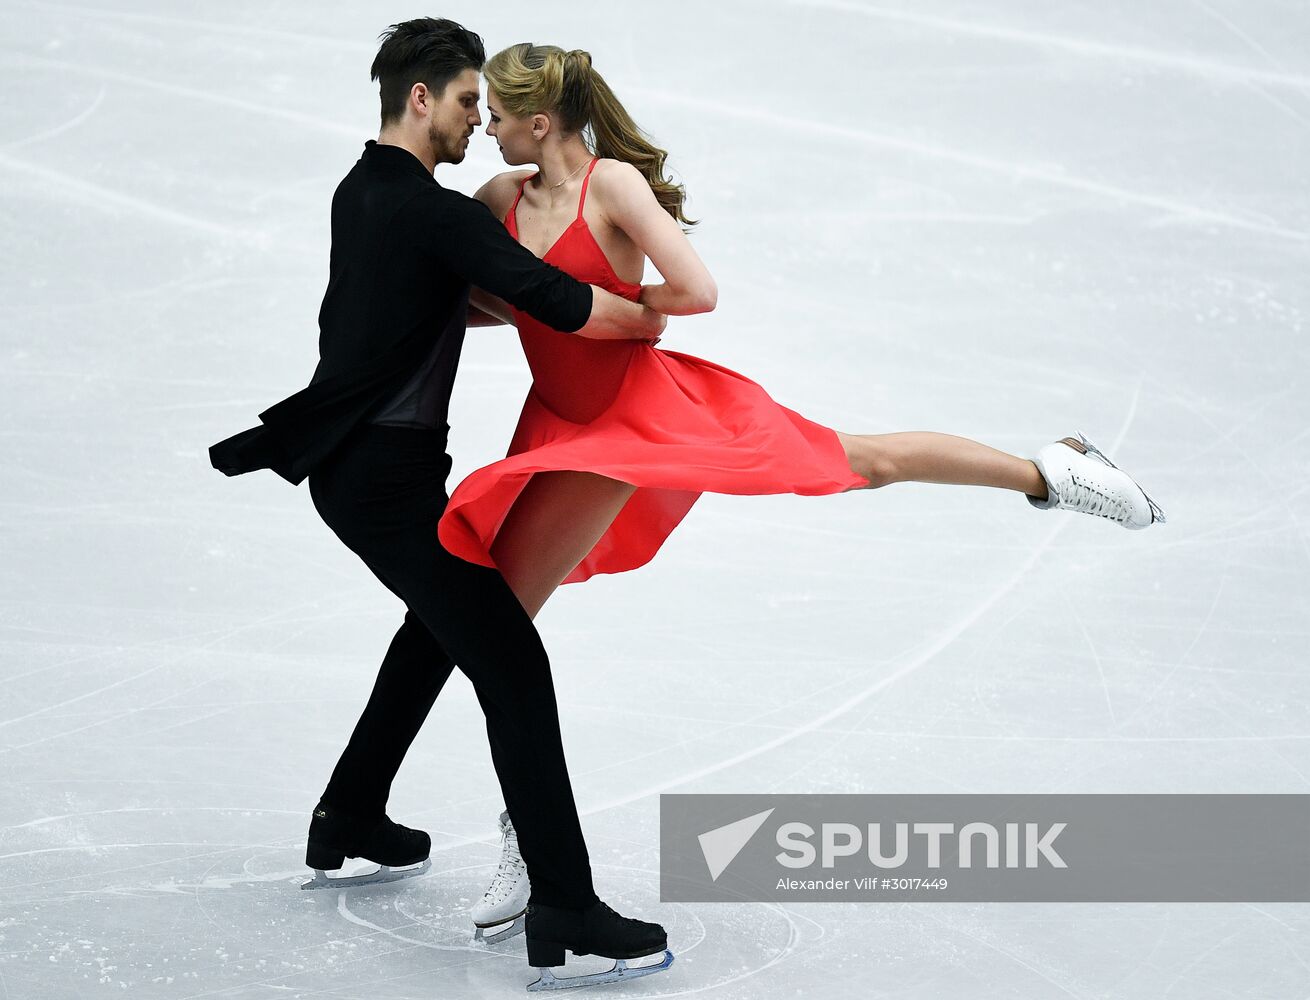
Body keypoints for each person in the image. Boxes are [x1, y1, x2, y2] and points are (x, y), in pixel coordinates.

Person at [439, 42, 1169, 938]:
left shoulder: (613, 187)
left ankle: (1051, 472)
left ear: (538, 122)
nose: (486, 131)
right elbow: (484, 294)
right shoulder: (498, 201)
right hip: (553, 422)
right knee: (497, 633)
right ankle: (536, 833)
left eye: (498, 117)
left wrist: (615, 309)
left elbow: (696, 292)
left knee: (858, 461)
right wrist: (522, 305)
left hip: (629, 424)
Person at [208, 19, 674, 990]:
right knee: (511, 662)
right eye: (468, 102)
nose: (478, 121)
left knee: (436, 632)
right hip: (385, 484)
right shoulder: (433, 211)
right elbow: (550, 296)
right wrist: (645, 315)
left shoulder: (361, 189)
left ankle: (351, 810)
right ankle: (566, 904)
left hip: (360, 473)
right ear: (419, 98)